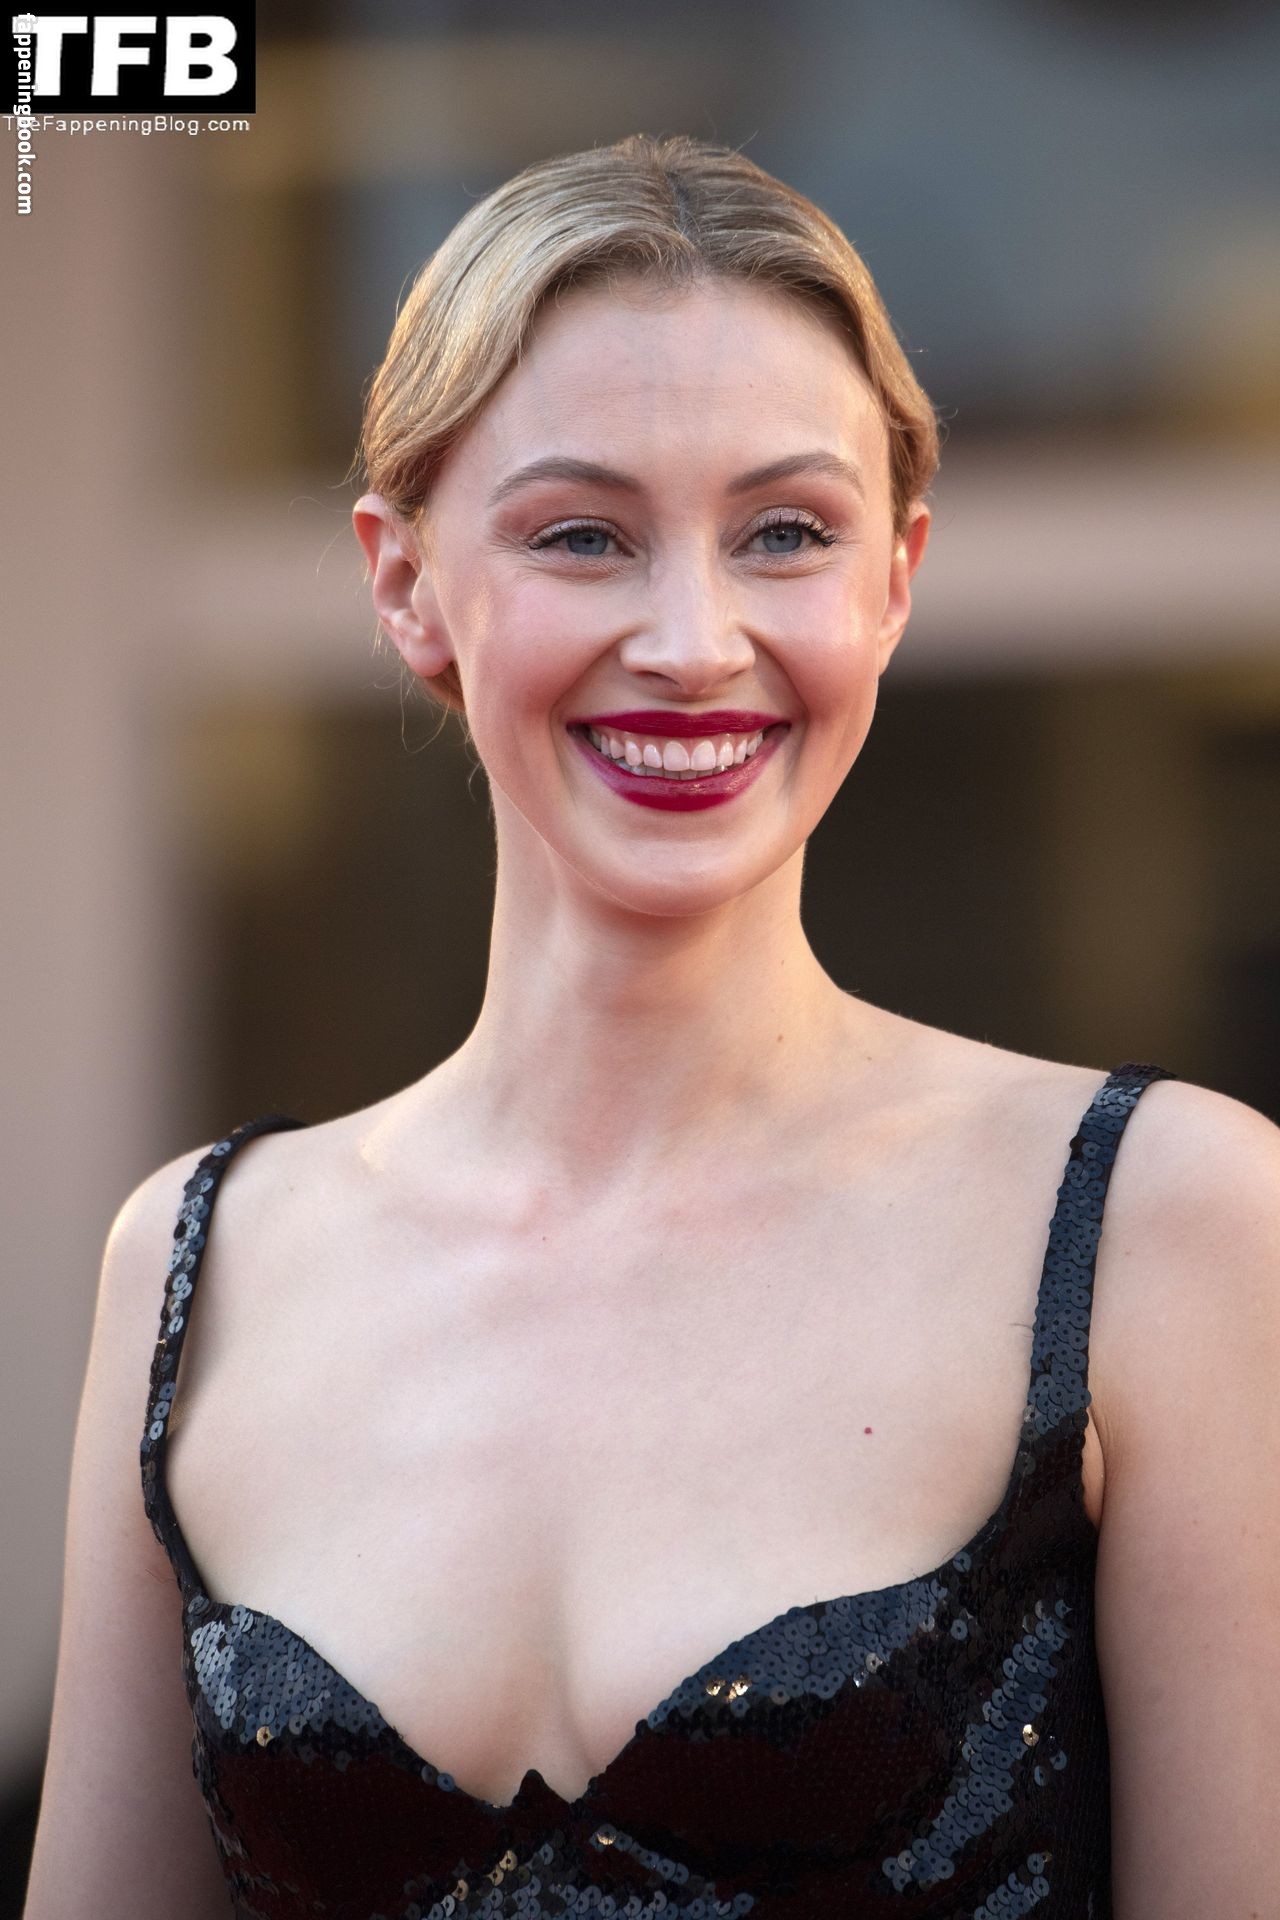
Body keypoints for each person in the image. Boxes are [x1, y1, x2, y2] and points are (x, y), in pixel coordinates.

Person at [23, 133, 1278, 1920]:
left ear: (895, 577)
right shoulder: (194, 1265)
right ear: (404, 583)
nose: (694, 639)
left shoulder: (1173, 1222)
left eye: (787, 533)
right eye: (582, 536)